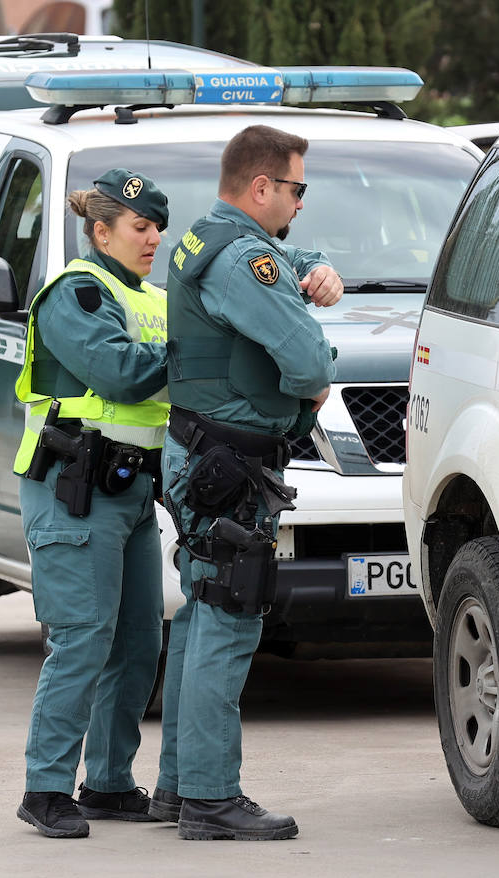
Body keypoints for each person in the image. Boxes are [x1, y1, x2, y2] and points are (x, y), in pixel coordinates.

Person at [150, 125, 343, 842]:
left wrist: (319, 268)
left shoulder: (211, 238)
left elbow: (285, 261)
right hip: (229, 465)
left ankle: (178, 788)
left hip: (203, 454)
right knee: (229, 621)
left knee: (203, 613)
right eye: (296, 190)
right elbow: (310, 364)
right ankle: (210, 798)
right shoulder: (244, 261)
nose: (300, 203)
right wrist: (307, 397)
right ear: (261, 188)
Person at [11, 168, 173, 839]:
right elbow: (122, 372)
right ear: (101, 230)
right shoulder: (76, 292)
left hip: (130, 489)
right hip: (73, 488)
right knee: (81, 638)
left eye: (159, 227)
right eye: (140, 227)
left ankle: (107, 783)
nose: (153, 238)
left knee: (139, 640)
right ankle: (45, 788)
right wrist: (194, 352)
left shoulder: (153, 299)